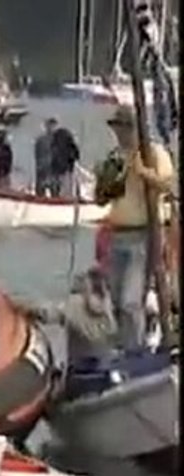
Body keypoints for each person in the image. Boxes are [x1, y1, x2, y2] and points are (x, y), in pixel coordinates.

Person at [98, 105, 176, 349]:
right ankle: (123, 347)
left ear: (134, 128)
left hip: (144, 234)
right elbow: (102, 198)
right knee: (113, 300)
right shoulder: (116, 156)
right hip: (117, 234)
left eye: (122, 129)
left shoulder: (153, 153)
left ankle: (135, 352)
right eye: (116, 129)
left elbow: (168, 185)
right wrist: (106, 179)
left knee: (131, 300)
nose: (119, 135)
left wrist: (143, 173)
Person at [28, 267, 118, 368]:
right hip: (105, 365)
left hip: (78, 367)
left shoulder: (75, 305)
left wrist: (28, 309)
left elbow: (48, 314)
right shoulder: (109, 307)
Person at [50, 121, 81, 197]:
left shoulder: (56, 138)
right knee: (66, 187)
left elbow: (54, 152)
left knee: (62, 186)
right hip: (66, 167)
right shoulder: (66, 139)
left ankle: (60, 197)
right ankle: (65, 197)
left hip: (61, 167)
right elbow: (76, 154)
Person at [34, 118, 57, 196]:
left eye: (53, 126)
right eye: (50, 126)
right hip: (42, 168)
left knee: (54, 191)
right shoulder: (40, 140)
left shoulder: (57, 140)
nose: (51, 128)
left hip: (53, 169)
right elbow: (37, 154)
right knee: (40, 191)